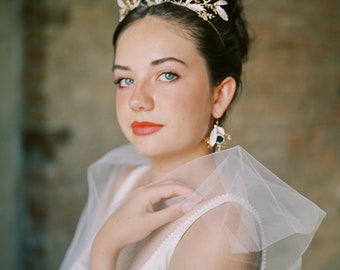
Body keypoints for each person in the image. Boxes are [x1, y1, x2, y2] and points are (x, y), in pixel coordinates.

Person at [61, 0, 326, 269]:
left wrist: (106, 247)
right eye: (125, 80)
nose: (137, 101)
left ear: (219, 95)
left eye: (166, 75)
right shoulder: (123, 183)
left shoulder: (220, 232)